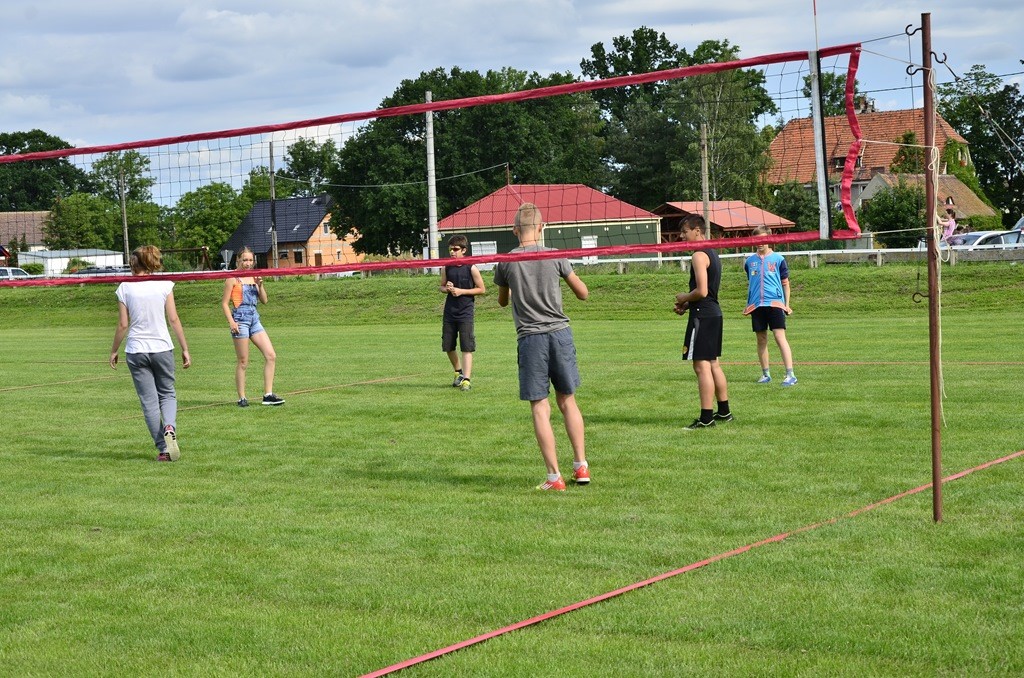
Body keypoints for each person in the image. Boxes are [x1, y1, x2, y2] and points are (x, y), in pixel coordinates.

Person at [494, 203, 590, 491]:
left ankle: (554, 477)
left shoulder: (506, 261)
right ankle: (581, 466)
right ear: (542, 227)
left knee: (540, 407)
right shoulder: (555, 255)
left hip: (531, 338)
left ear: (514, 231)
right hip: (560, 334)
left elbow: (501, 301)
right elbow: (583, 293)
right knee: (567, 401)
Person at [109, 245, 191, 461]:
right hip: (162, 347)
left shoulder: (124, 287)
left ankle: (163, 449)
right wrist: (184, 348)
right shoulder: (164, 284)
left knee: (149, 401)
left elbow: (122, 324)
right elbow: (174, 319)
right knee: (168, 393)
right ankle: (170, 426)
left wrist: (114, 350)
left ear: (133, 265)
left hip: (136, 350)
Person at [673, 215, 731, 430]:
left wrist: (684, 297)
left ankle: (706, 417)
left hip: (703, 316)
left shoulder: (698, 254)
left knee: (701, 366)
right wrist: (687, 305)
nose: (682, 236)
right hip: (713, 312)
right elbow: (708, 294)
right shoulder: (713, 252)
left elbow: (702, 291)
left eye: (685, 231)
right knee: (713, 363)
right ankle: (724, 411)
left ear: (697, 230)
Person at [221, 246, 284, 407]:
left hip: (254, 319)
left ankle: (268, 395)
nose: (248, 263)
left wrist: (260, 285)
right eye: (245, 260)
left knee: (271, 355)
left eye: (250, 260)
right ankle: (242, 397)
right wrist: (232, 322)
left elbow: (264, 300)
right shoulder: (232, 278)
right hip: (240, 319)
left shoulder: (255, 276)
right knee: (243, 361)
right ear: (238, 260)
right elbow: (224, 304)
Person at [743, 225, 797, 387]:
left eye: (763, 239)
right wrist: (748, 304)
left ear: (770, 239)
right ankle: (766, 374)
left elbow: (786, 284)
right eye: (756, 240)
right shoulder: (749, 262)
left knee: (780, 338)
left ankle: (790, 374)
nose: (759, 243)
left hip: (775, 304)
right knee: (761, 339)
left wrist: (786, 305)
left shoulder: (778, 259)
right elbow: (751, 284)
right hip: (757, 306)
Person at [439, 234, 486, 391]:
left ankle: (466, 379)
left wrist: (460, 291)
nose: (452, 252)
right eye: (450, 249)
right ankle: (458, 372)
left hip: (465, 312)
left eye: (456, 249)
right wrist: (448, 289)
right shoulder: (447, 267)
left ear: (464, 250)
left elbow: (481, 289)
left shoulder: (471, 267)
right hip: (449, 312)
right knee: (448, 346)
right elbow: (441, 286)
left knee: (466, 347)